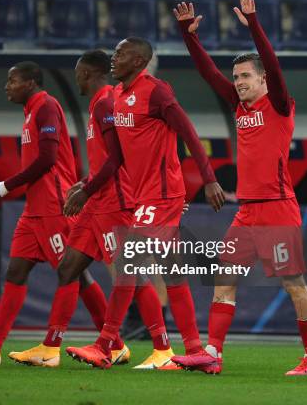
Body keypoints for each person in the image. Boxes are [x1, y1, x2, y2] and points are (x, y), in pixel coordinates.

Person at [171, 0, 307, 376]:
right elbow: (209, 74)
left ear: (262, 80)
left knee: (293, 284)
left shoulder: (278, 104)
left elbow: (272, 64)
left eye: (245, 76)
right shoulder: (239, 106)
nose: (238, 82)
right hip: (248, 211)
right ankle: (213, 352)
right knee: (224, 279)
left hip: (276, 207)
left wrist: (255, 25)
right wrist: (189, 36)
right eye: (236, 77)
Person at [8, 50, 181, 369]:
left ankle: (162, 348)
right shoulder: (100, 104)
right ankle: (50, 348)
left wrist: (87, 189)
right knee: (68, 268)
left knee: (131, 276)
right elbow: (109, 157)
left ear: (87, 73)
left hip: (114, 203)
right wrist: (86, 183)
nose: (75, 78)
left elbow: (117, 159)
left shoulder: (106, 103)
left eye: (77, 72)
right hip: (97, 202)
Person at [67, 37, 225, 369]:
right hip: (147, 195)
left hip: (161, 193)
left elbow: (189, 133)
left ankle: (104, 344)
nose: (114, 58)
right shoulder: (120, 97)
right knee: (172, 274)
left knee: (127, 262)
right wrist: (89, 185)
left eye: (121, 53)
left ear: (138, 61)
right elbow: (120, 156)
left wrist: (209, 179)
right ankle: (198, 352)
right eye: (114, 52)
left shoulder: (156, 92)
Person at [0, 61, 110, 365]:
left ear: (30, 83)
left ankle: (99, 343)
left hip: (54, 205)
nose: (7, 86)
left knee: (73, 274)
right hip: (33, 209)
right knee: (15, 272)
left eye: (12, 80)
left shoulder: (46, 106)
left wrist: (5, 186)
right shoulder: (30, 113)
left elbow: (48, 159)